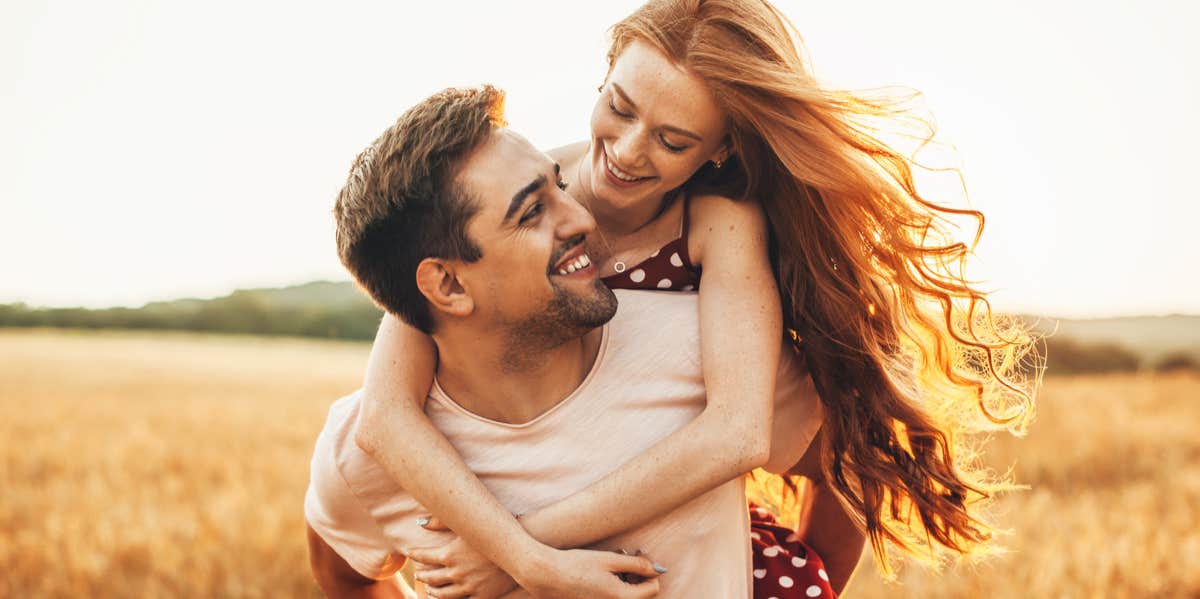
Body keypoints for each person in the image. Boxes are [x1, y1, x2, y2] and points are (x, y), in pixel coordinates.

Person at [353, 0, 1037, 597]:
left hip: (696, 551)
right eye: (618, 107)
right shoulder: (515, 201)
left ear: (720, 149)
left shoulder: (718, 225)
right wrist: (527, 558)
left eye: (673, 140)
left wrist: (518, 552)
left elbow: (739, 433)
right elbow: (384, 413)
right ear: (606, 70)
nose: (624, 151)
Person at [306, 85, 829, 598]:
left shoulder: (701, 349)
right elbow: (345, 571)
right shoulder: (364, 451)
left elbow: (843, 471)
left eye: (560, 186)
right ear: (446, 285)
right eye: (532, 212)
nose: (583, 217)